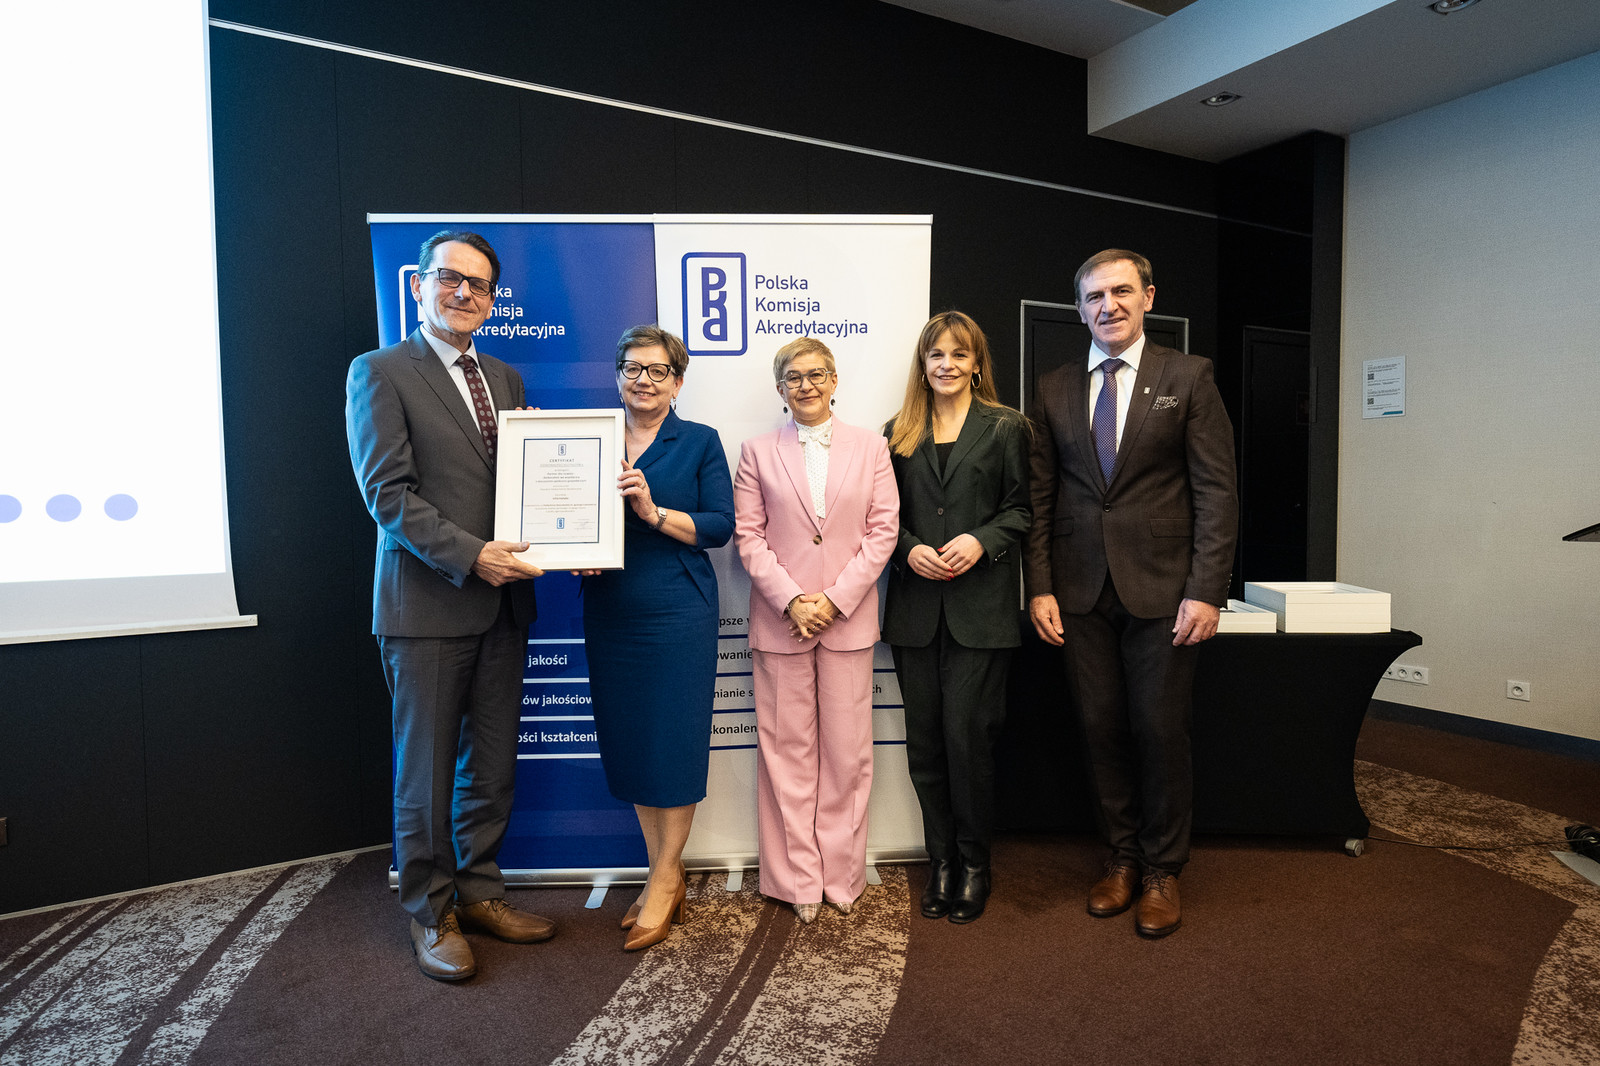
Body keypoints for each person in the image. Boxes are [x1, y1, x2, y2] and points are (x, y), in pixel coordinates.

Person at [346, 230, 553, 982]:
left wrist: (563, 520)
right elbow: (387, 494)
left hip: (505, 605)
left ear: (494, 300)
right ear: (419, 285)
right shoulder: (379, 372)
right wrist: (472, 555)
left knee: (491, 766)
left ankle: (480, 892)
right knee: (426, 774)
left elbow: (523, 486)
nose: (465, 293)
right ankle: (430, 913)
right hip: (429, 604)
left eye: (480, 284)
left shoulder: (505, 377)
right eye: (449, 278)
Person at [1024, 249, 1238, 938]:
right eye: (1094, 296)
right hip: (1079, 590)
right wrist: (1039, 586)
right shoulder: (1053, 387)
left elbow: (1216, 491)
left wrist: (1207, 590)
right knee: (1099, 728)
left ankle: (1162, 869)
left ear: (1148, 296)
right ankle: (1120, 858)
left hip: (1166, 591)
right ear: (1079, 309)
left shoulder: (1188, 376)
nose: (1108, 305)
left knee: (1159, 729)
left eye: (1121, 291)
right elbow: (1041, 496)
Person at [733, 337, 899, 923]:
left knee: (848, 756)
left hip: (847, 621)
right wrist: (792, 601)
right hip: (782, 623)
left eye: (816, 374)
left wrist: (833, 600)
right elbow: (748, 536)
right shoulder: (756, 452)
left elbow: (883, 531)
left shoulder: (872, 447)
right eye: (793, 377)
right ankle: (798, 879)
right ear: (780, 388)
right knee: (787, 755)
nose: (805, 385)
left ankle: (842, 877)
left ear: (834, 380)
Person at [581, 325, 734, 952]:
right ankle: (658, 870)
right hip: (611, 608)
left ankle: (668, 876)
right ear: (617, 374)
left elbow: (719, 526)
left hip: (678, 609)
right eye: (632, 367)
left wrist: (653, 513)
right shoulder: (589, 437)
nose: (644, 379)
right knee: (634, 742)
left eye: (658, 370)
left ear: (678, 380)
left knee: (672, 740)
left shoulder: (699, 441)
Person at [881, 311, 1031, 924]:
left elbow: (1022, 510)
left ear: (976, 364)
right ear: (923, 365)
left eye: (958, 354)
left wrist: (982, 540)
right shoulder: (897, 432)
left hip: (980, 612)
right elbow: (881, 518)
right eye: (936, 354)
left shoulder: (1006, 427)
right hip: (915, 613)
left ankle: (974, 865)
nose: (946, 364)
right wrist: (907, 548)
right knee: (925, 746)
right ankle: (940, 861)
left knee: (968, 742)